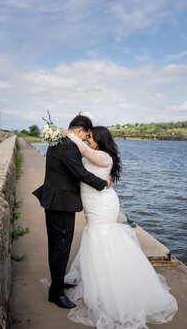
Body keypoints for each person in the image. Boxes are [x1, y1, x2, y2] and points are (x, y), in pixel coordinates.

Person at [64, 126, 178, 329]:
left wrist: (70, 134)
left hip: (103, 203)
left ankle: (112, 288)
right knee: (94, 235)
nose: (88, 139)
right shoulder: (92, 154)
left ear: (100, 139)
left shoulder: (103, 157)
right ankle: (97, 284)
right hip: (91, 201)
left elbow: (84, 151)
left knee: (102, 235)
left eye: (90, 136)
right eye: (86, 136)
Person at [32, 115, 112, 309]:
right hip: (61, 201)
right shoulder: (67, 145)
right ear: (79, 131)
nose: (86, 139)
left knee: (58, 246)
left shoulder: (60, 140)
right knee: (60, 246)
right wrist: (103, 184)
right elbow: (80, 173)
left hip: (57, 199)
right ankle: (56, 293)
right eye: (86, 135)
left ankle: (58, 282)